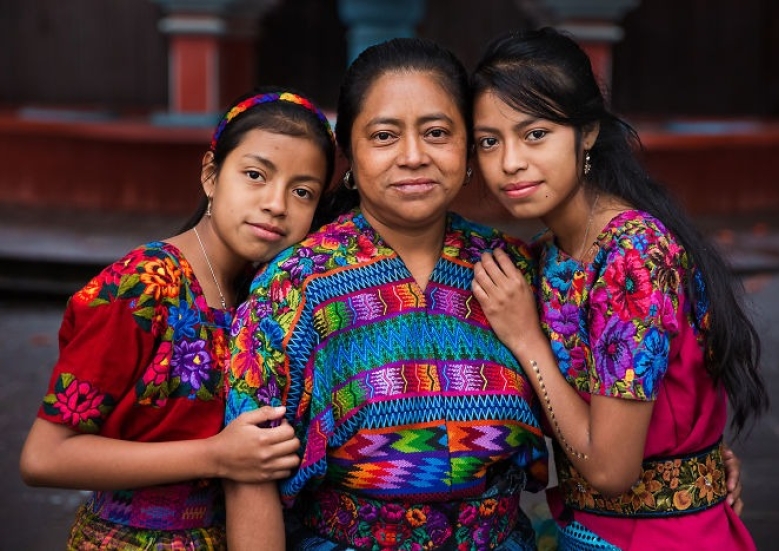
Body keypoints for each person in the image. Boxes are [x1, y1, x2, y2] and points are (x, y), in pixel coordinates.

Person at [222, 37, 551, 550]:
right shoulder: (296, 287)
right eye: (384, 136)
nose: (414, 156)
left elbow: (597, 413)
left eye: (437, 133)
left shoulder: (514, 271)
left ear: (468, 147)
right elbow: (251, 475)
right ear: (349, 153)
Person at [469, 27, 769, 550]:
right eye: (489, 142)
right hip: (595, 532)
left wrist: (526, 338)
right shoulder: (548, 252)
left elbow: (609, 469)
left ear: (586, 132)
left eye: (535, 134)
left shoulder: (632, 256)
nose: (509, 162)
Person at [18, 85, 337, 550]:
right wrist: (216, 456)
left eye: (302, 191)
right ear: (211, 174)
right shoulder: (143, 287)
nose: (276, 203)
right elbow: (45, 457)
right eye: (255, 175)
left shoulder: (269, 296)